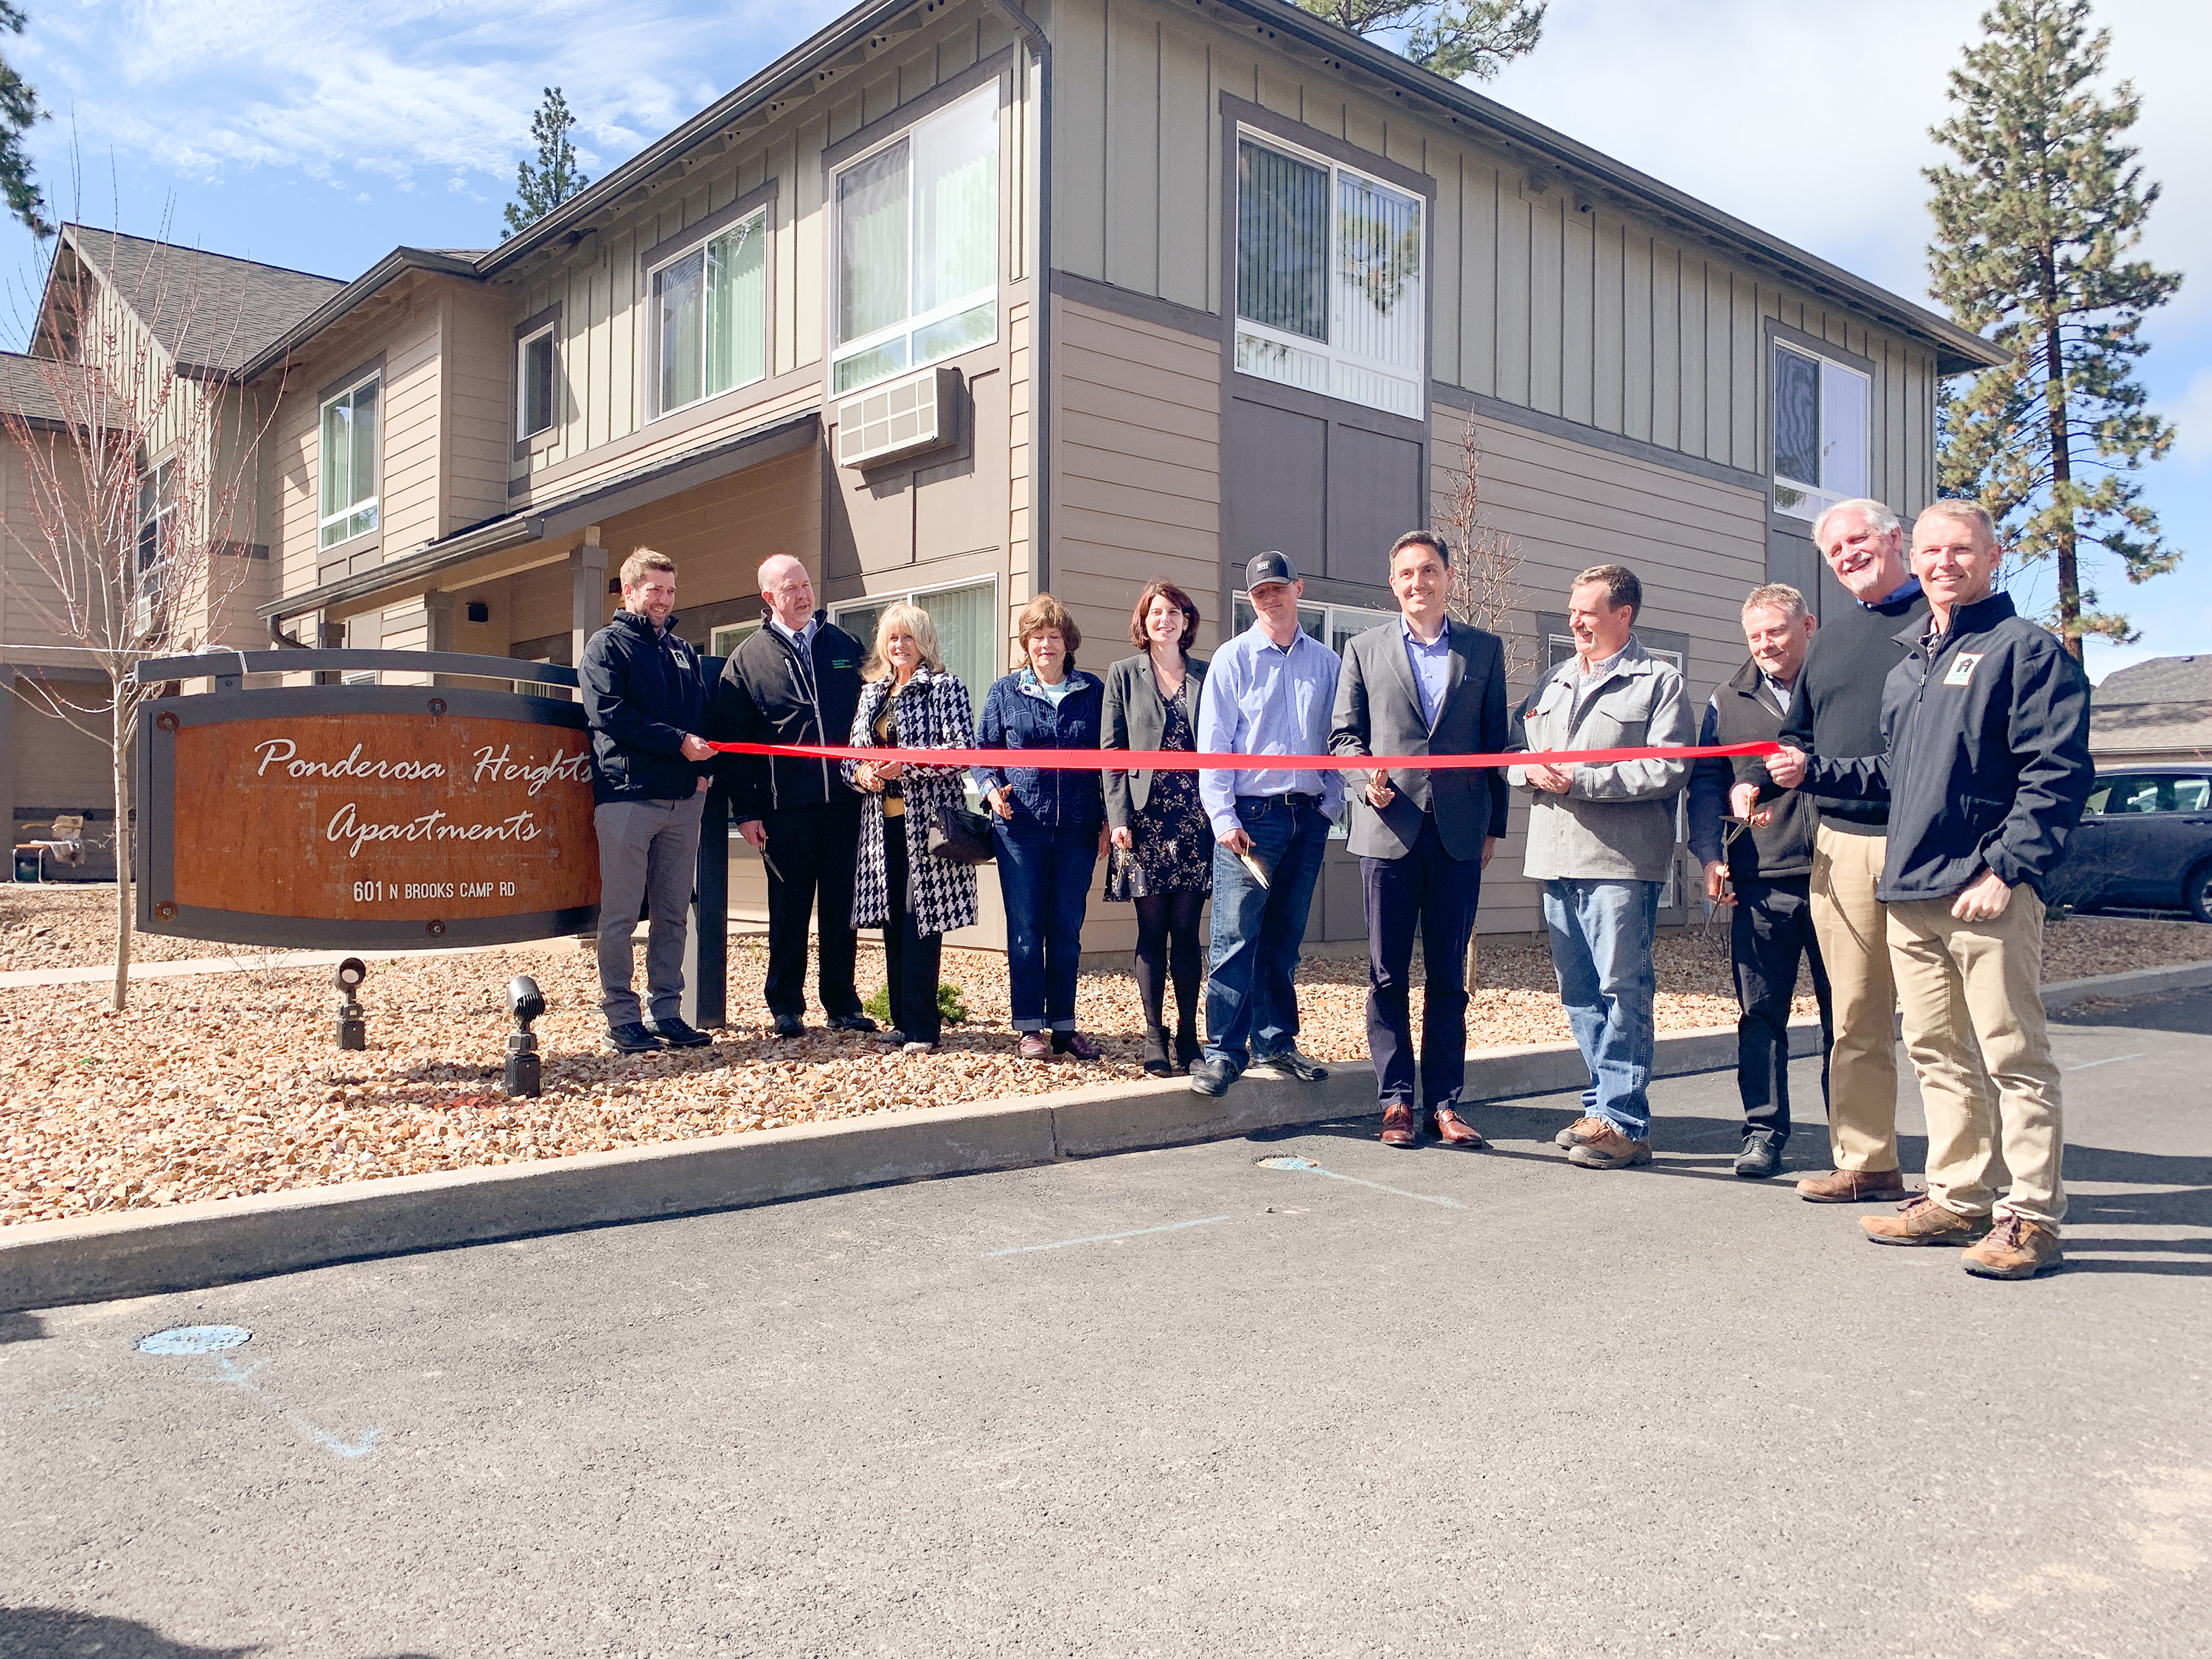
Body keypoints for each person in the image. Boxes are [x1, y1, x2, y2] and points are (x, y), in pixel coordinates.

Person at [1767, 501, 2093, 1279]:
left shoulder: (2026, 651)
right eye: (1933, 552)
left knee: (2013, 1055)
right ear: (1913, 558)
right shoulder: (1915, 662)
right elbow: (1894, 775)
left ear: (1993, 554)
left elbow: (2058, 774)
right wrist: (1813, 771)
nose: (1944, 563)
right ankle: (1957, 1198)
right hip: (1910, 891)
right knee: (1938, 1053)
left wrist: (2007, 867)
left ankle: (2033, 1216)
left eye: (1962, 550)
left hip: (1982, 891)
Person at [1765, 498, 1947, 1204]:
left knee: (1938, 1027)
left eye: (1857, 541)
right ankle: (1868, 1160)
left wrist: (1808, 769)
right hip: (1840, 846)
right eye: (1834, 549)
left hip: (1922, 846)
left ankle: (1964, 1177)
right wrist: (1762, 778)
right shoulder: (1832, 643)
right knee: (1855, 1019)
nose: (1846, 556)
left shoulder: (1938, 628)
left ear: (1894, 539)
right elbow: (1798, 738)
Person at [1506, 563, 1691, 1169]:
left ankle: (1626, 1121)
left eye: (1586, 610)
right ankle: (1600, 1107)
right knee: (1580, 992)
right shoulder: (1555, 681)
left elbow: (1668, 769)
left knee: (1622, 989)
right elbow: (1511, 753)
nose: (1574, 619)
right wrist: (1529, 770)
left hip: (1619, 862)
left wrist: (1581, 778)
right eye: (1571, 608)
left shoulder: (1659, 682)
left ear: (1623, 615)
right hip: (1555, 856)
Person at [1330, 531, 1509, 1149]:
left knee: (1448, 980)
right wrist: (1363, 776)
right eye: (1405, 573)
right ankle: (1396, 1101)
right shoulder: (1363, 648)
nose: (1417, 583)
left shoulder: (1484, 651)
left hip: (1459, 833)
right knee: (1385, 975)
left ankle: (1446, 1104)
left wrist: (1495, 825)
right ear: (1393, 583)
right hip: (1387, 830)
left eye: (1428, 571)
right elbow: (1343, 738)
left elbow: (1494, 746)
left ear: (1448, 577)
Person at [1686, 583, 1834, 1180]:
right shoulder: (1728, 699)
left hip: (1837, 876)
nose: (1766, 644)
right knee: (1760, 1014)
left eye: (1776, 631)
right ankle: (1763, 1133)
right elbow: (1703, 785)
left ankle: (1854, 1138)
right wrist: (1707, 856)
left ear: (1808, 626)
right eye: (1755, 636)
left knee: (1844, 1017)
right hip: (1759, 880)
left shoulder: (1836, 691)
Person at [1188, 552, 1341, 1099]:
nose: (1271, 598)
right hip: (1250, 820)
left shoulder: (1327, 662)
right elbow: (1214, 748)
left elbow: (1338, 741)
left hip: (1308, 817)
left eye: (1279, 587)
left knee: (1284, 938)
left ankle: (1276, 1041)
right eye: (1259, 593)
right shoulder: (1232, 660)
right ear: (1250, 600)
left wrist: (1330, 806)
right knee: (1234, 936)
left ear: (1298, 588)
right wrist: (1223, 818)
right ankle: (1223, 1053)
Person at [717, 554, 875, 1040]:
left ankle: (842, 1002)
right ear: (769, 598)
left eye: (806, 585)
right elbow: (734, 745)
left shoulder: (845, 645)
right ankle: (785, 1005)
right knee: (788, 908)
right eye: (791, 589)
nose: (804, 595)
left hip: (846, 804)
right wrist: (745, 812)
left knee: (841, 906)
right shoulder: (746, 660)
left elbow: (871, 719)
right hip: (786, 809)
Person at [580, 547, 717, 1054]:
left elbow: (702, 716)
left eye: (671, 589)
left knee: (673, 913)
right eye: (654, 589)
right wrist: (678, 742)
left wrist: (703, 772)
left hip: (684, 800)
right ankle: (622, 1016)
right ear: (629, 591)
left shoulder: (681, 650)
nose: (664, 598)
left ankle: (666, 1011)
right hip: (628, 798)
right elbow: (609, 714)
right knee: (619, 915)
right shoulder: (605, 646)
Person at [973, 594, 1108, 1061]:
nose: (1045, 644)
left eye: (1053, 636)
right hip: (1019, 829)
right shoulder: (1005, 693)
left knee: (1067, 928)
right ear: (1026, 644)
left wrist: (1109, 821)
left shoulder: (1093, 691)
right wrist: (991, 789)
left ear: (1068, 643)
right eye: (1036, 636)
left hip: (1077, 828)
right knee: (1027, 929)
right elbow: (983, 752)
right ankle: (1029, 1025)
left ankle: (1064, 1026)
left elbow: (1111, 760)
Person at [841, 604, 980, 1055]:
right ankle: (901, 1019)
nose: (898, 646)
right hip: (880, 827)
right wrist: (864, 775)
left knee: (921, 922)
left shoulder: (944, 687)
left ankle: (922, 1027)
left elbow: (959, 752)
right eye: (891, 638)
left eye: (907, 638)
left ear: (924, 643)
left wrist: (908, 765)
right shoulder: (871, 694)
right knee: (893, 923)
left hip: (930, 827)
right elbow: (849, 760)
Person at [1102, 580, 1213, 1077]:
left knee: (1186, 931)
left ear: (1187, 622)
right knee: (1151, 930)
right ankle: (1153, 1032)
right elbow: (1112, 753)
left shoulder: (1208, 675)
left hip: (1195, 817)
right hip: (1142, 822)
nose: (1164, 619)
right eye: (1155, 612)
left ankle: (1189, 1033)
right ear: (1143, 623)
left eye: (1173, 612)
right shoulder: (1123, 675)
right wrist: (1118, 818)